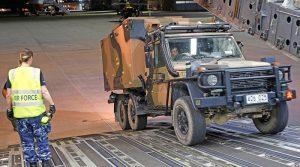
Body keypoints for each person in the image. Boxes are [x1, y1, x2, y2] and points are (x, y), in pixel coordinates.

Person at [5, 48, 56, 167]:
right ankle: (45, 162)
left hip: (21, 116)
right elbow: (44, 91)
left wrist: (9, 110)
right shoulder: (36, 72)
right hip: (37, 114)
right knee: (41, 138)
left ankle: (32, 163)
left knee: (27, 141)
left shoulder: (11, 73)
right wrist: (52, 104)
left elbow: (8, 95)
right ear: (31, 58)